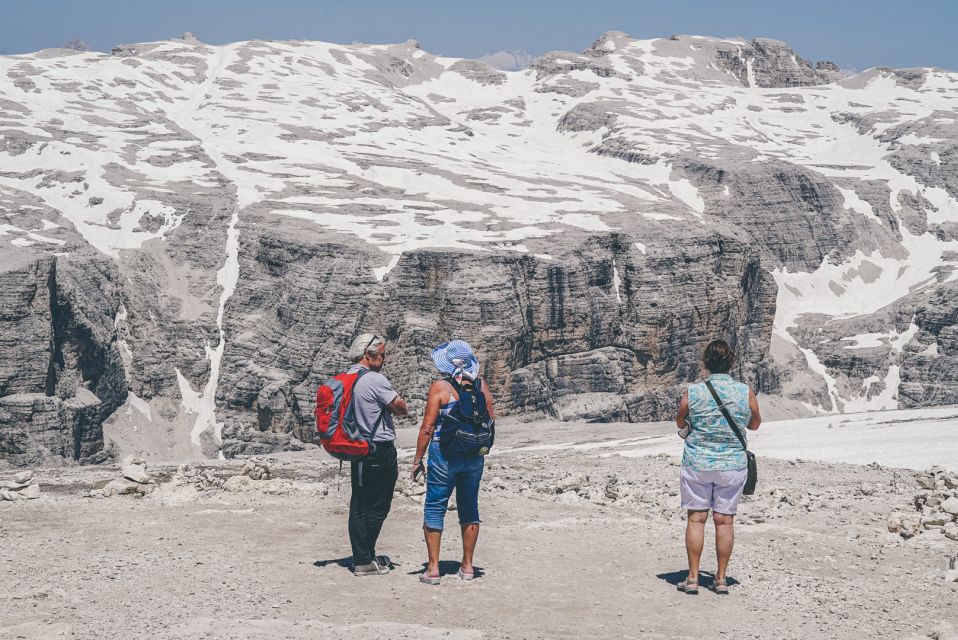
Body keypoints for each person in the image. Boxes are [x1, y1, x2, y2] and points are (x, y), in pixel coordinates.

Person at [674, 339, 761, 595]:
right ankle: (721, 580)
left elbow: (680, 420)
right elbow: (755, 424)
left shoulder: (694, 391)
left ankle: (692, 578)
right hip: (732, 465)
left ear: (706, 363)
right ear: (731, 362)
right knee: (724, 522)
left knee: (696, 518)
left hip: (697, 463)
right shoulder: (744, 391)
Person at [410, 340, 495, 585]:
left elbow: (427, 428)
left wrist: (418, 460)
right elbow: (490, 420)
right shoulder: (481, 386)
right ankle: (467, 567)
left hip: (443, 455)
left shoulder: (440, 387)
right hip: (473, 455)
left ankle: (433, 569)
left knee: (435, 505)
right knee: (470, 508)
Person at [344, 333, 408, 576]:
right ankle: (363, 559)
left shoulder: (347, 377)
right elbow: (400, 407)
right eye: (382, 354)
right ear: (368, 355)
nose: (384, 359)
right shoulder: (375, 380)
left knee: (360, 503)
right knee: (379, 505)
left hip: (357, 448)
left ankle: (365, 556)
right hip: (378, 450)